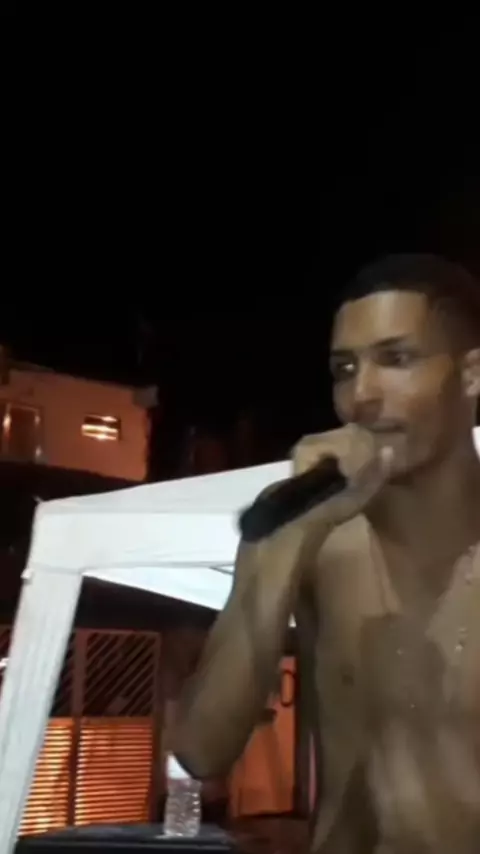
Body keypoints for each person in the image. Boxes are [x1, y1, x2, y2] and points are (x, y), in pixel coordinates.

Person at [173, 254, 480, 853]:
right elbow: (200, 750)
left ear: (471, 375)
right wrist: (285, 545)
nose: (362, 395)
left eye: (397, 359)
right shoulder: (310, 533)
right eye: (345, 369)